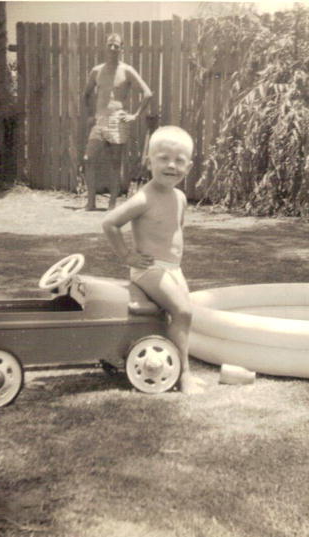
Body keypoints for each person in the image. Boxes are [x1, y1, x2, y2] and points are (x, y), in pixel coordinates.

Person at [102, 126, 205, 395]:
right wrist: (127, 256)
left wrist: (175, 266)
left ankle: (172, 366)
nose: (172, 165)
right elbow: (110, 222)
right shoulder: (144, 198)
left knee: (182, 315)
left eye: (179, 160)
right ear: (149, 161)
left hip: (172, 269)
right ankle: (184, 376)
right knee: (183, 312)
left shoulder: (180, 197)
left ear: (189, 166)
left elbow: (175, 232)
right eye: (163, 158)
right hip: (148, 269)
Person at [83, 33, 152, 211]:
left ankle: (112, 204)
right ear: (106, 47)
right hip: (100, 120)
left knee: (115, 164)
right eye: (110, 45)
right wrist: (91, 115)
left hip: (117, 120)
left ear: (122, 49)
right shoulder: (96, 70)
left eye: (116, 45)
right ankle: (90, 202)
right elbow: (86, 94)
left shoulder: (126, 70)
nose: (113, 48)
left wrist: (135, 115)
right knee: (88, 159)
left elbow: (147, 93)